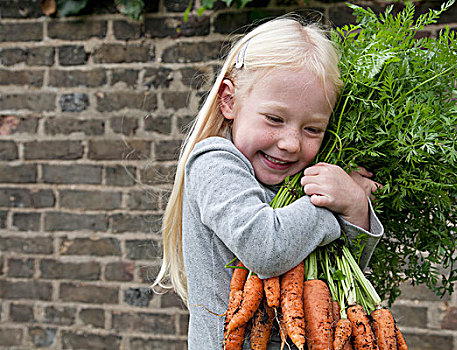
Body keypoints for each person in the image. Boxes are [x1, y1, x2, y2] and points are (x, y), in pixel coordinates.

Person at [154, 17, 384, 350]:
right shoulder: (214, 161)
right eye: (275, 119)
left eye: (312, 129)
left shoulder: (298, 177)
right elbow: (265, 248)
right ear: (229, 101)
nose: (291, 143)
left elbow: (345, 268)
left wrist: (356, 210)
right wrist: (335, 208)